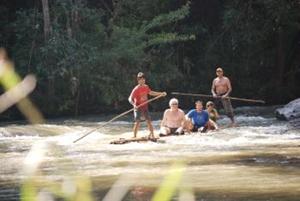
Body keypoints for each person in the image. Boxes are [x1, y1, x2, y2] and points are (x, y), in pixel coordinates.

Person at [128, 72, 166, 139]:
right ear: (138, 80)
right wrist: (134, 105)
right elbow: (130, 98)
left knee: (149, 121)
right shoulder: (136, 89)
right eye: (140, 79)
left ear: (144, 80)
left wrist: (160, 94)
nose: (142, 81)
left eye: (143, 79)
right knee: (137, 122)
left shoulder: (146, 87)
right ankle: (134, 136)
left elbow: (151, 93)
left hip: (145, 107)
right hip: (138, 107)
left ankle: (152, 134)